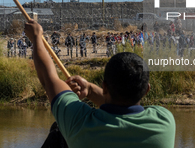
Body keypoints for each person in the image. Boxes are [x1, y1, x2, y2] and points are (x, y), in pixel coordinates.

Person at [24, 20, 176, 148]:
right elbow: (122, 108)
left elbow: (49, 78)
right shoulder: (165, 121)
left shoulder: (79, 123)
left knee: (58, 132)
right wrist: (89, 90)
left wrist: (37, 37)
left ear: (104, 87)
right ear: (146, 90)